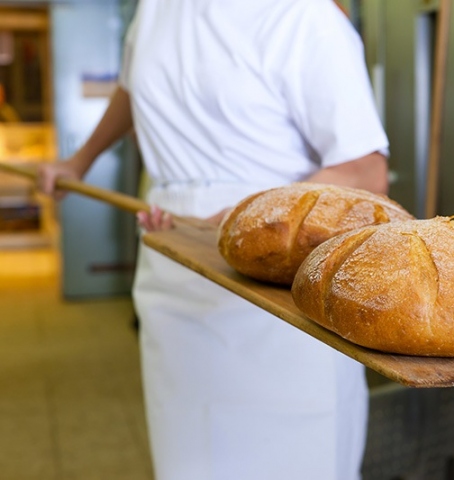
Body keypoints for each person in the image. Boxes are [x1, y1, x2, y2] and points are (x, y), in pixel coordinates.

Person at [38, 1, 390, 479]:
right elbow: (133, 82)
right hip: (172, 265)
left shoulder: (303, 16)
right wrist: (78, 161)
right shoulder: (156, 7)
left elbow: (364, 170)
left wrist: (254, 213)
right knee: (190, 455)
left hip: (276, 280)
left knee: (294, 455)